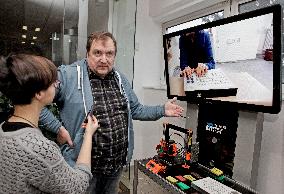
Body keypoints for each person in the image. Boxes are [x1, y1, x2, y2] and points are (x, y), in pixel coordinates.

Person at [39, 31, 184, 194]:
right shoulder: (68, 75)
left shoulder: (120, 78)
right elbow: (35, 100)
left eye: (109, 53)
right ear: (87, 53)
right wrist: (58, 128)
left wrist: (162, 109)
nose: (104, 59)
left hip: (115, 167)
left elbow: (136, 109)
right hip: (83, 170)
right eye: (97, 53)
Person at [0, 54, 99, 193]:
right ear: (39, 93)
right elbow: (77, 187)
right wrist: (88, 135)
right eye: (54, 82)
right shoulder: (38, 148)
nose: (57, 85)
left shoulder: (4, 129)